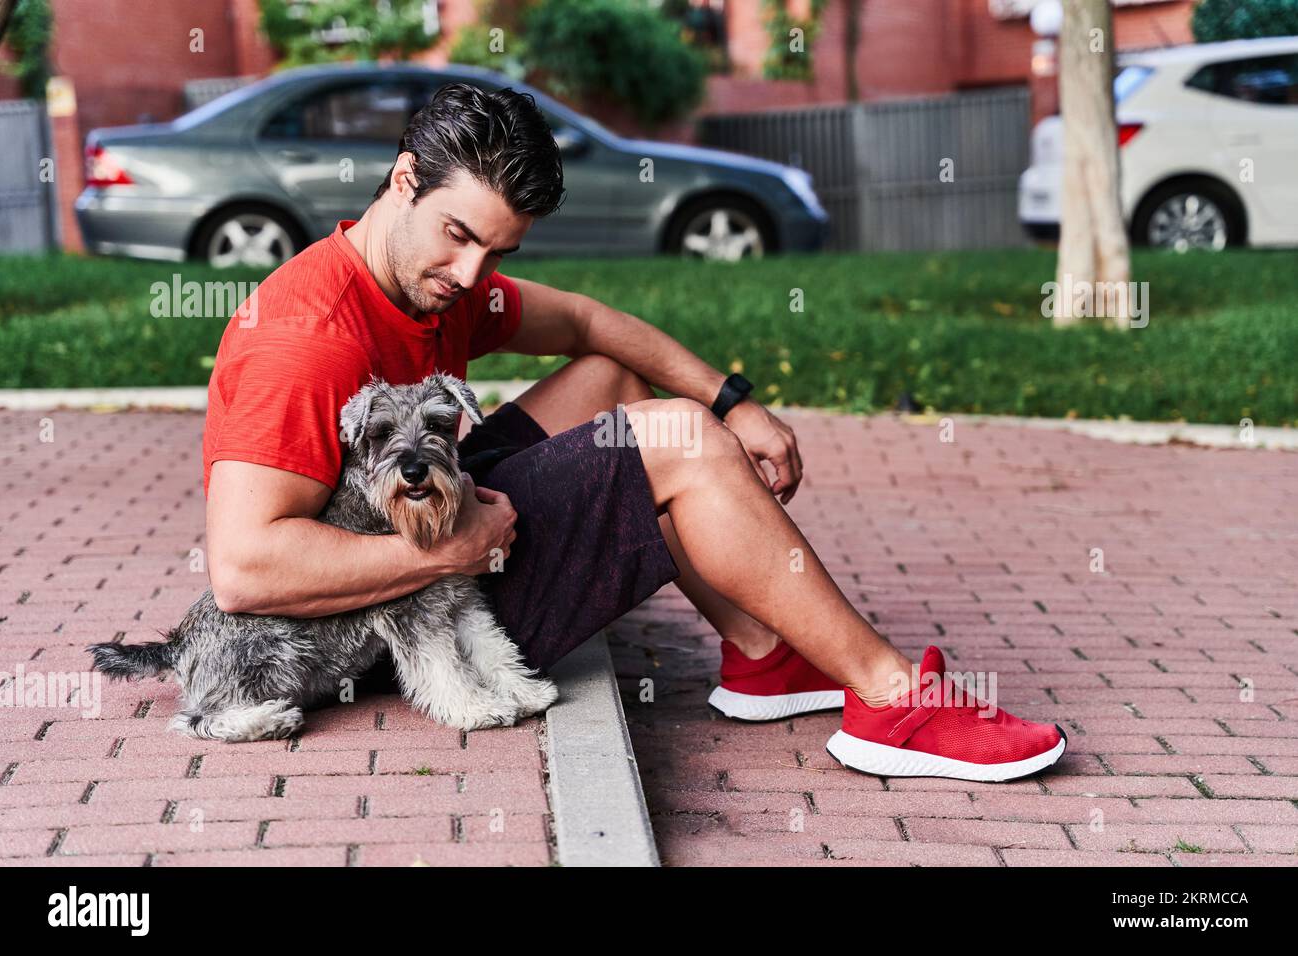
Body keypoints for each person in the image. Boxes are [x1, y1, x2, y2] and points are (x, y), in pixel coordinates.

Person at [202, 83, 1066, 782]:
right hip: (412, 622)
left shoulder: (424, 278)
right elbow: (244, 571)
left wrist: (731, 400)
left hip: (441, 525)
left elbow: (588, 322)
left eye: (496, 253)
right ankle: (890, 699)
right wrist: (448, 552)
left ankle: (766, 654)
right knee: (674, 442)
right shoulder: (306, 340)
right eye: (458, 236)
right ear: (402, 182)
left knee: (614, 383)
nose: (472, 275)